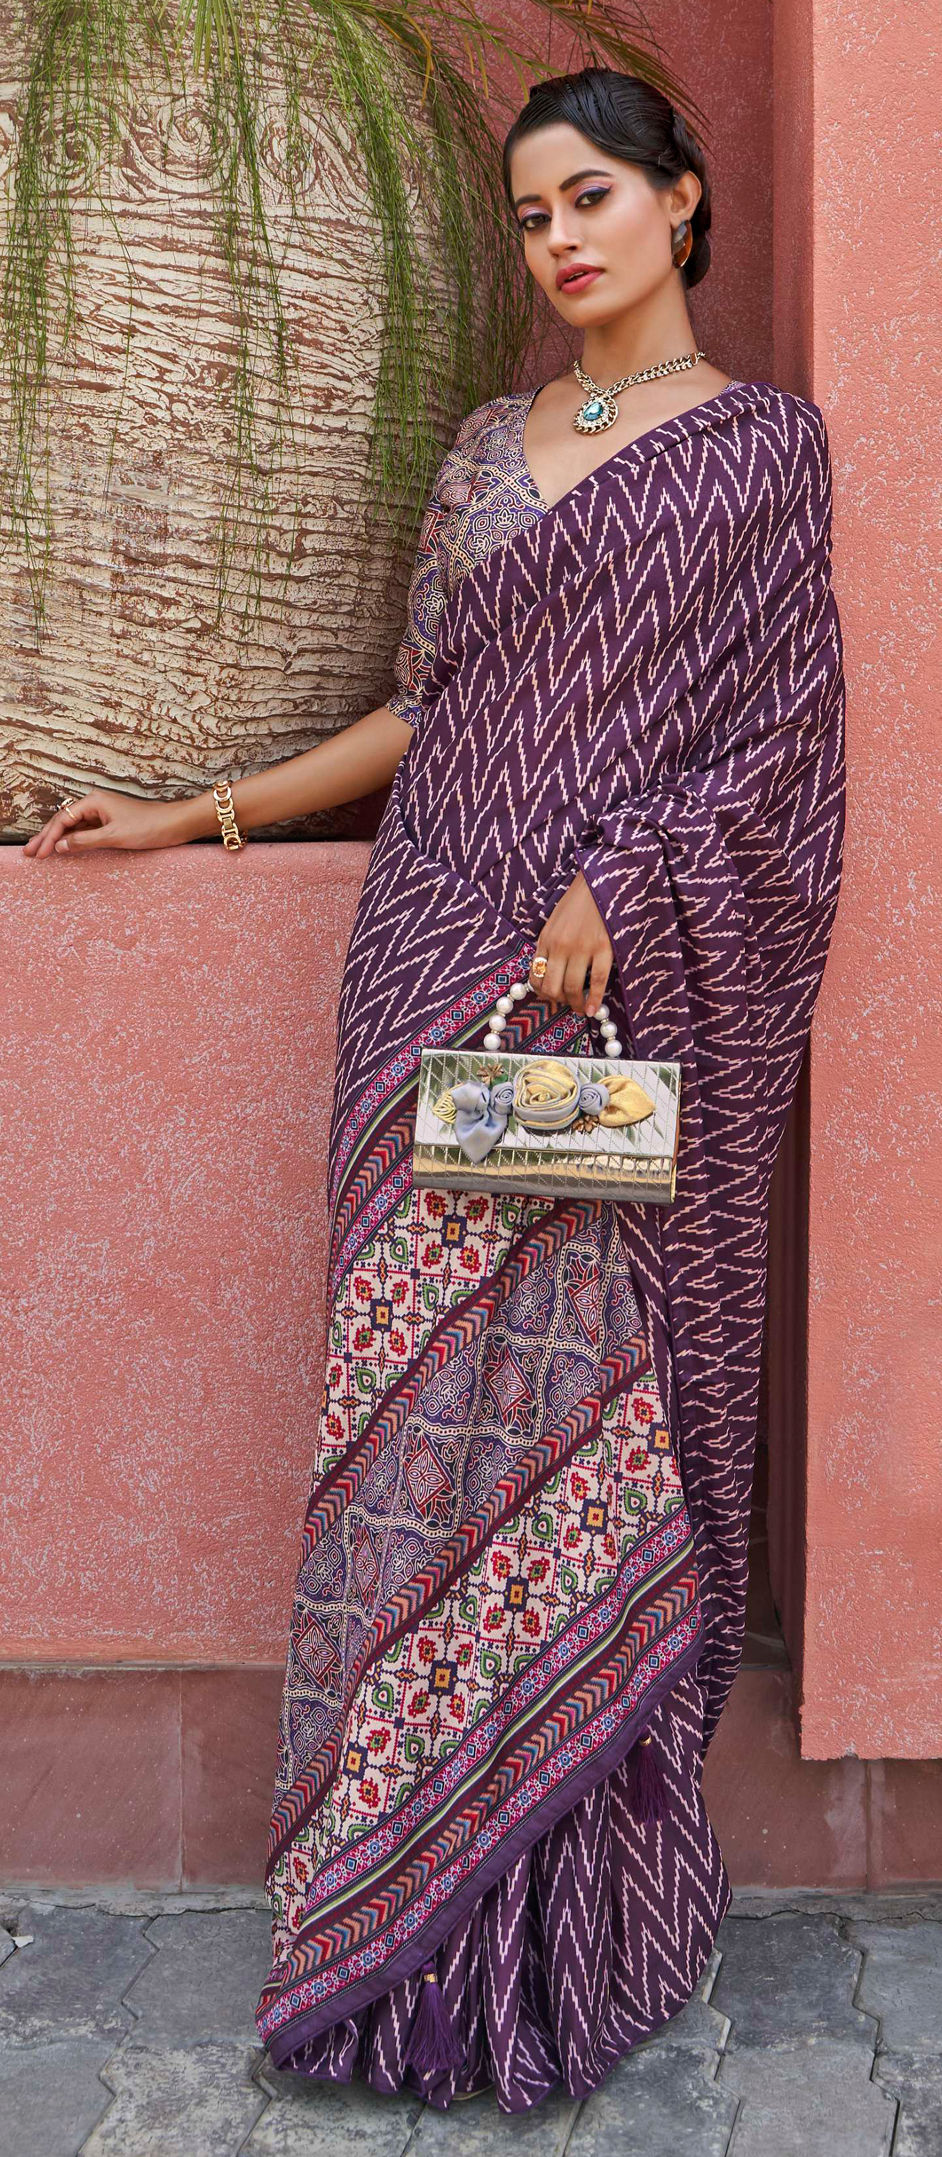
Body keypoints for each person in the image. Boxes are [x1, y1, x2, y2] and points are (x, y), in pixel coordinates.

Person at [24, 68, 846, 2116]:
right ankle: (391, 1902)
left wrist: (624, 885)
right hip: (423, 962)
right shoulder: (488, 447)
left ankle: (568, 1899)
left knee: (579, 1428)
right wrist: (196, 811)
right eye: (530, 213)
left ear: (682, 202)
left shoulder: (764, 452)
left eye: (593, 197)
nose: (559, 238)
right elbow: (422, 704)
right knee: (409, 1426)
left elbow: (782, 754)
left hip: (606, 994)